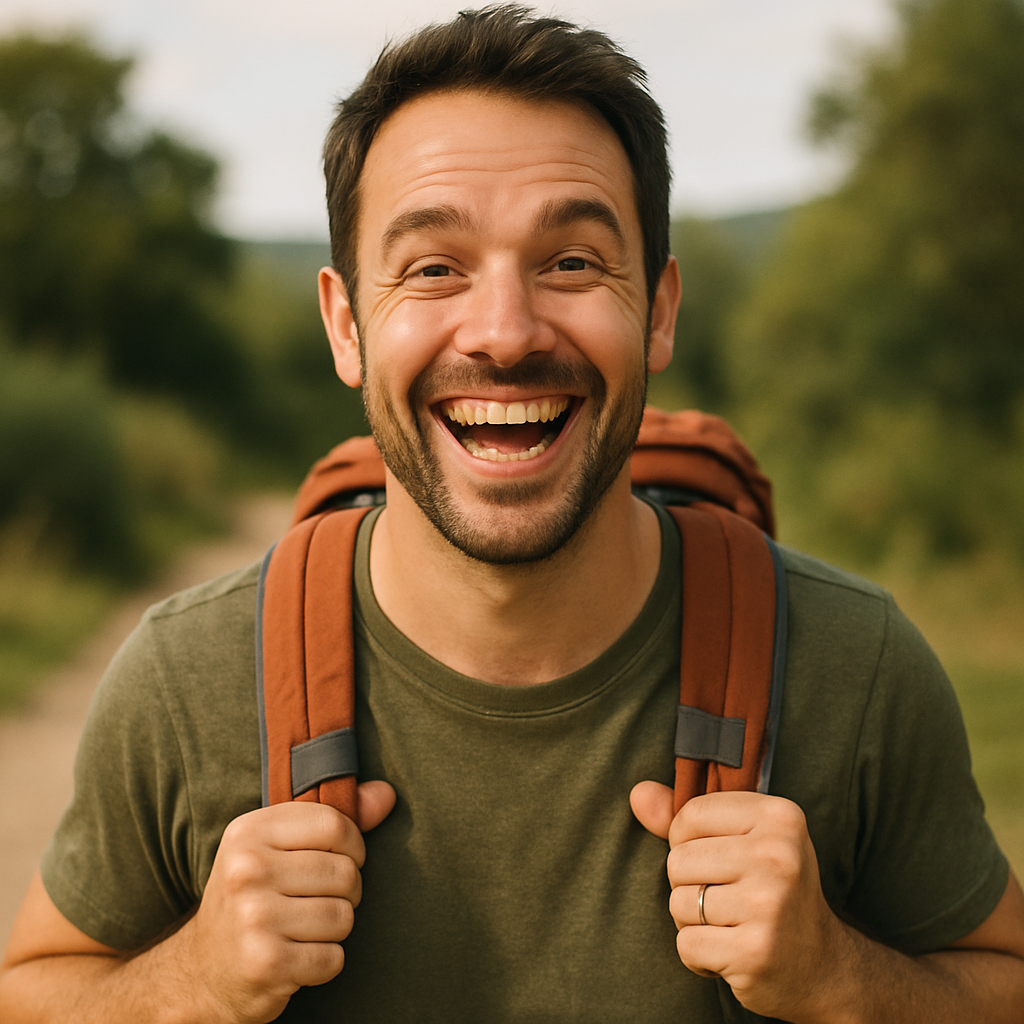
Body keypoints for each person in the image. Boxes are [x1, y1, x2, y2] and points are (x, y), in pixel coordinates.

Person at [2, 6, 1023, 1022]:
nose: (502, 332)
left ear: (659, 309)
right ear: (346, 323)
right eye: (434, 267)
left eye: (572, 262)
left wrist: (841, 976)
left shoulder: (854, 668)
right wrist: (193, 979)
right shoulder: (187, 682)